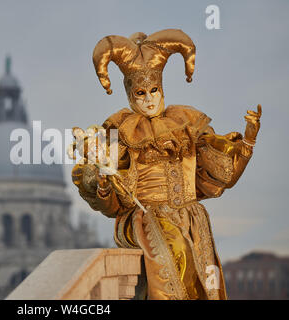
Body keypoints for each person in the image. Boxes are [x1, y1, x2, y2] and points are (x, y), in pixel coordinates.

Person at [71, 29, 261, 300]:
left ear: (162, 88)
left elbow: (222, 174)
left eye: (154, 91)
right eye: (141, 93)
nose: (149, 100)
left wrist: (248, 140)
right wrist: (102, 181)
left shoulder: (185, 124)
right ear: (130, 95)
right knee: (177, 251)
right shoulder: (122, 133)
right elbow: (114, 198)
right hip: (146, 218)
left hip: (190, 218)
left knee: (205, 282)